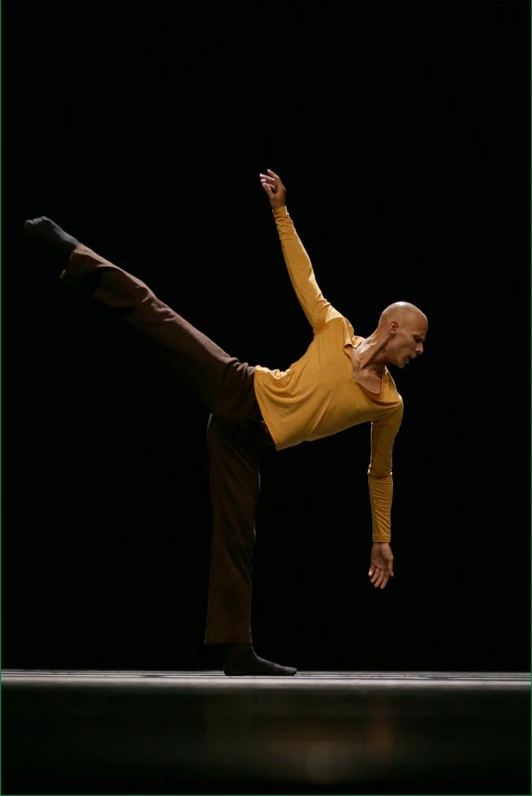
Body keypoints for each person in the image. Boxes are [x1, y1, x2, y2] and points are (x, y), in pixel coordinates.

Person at [24, 168, 428, 676]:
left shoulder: (390, 404)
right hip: (243, 388)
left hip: (248, 440)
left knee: (238, 538)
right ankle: (72, 250)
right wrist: (281, 212)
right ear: (393, 327)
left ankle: (236, 649)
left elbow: (380, 471)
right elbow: (304, 276)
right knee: (159, 315)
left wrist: (381, 537)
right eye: (417, 340)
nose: (420, 351)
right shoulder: (336, 329)